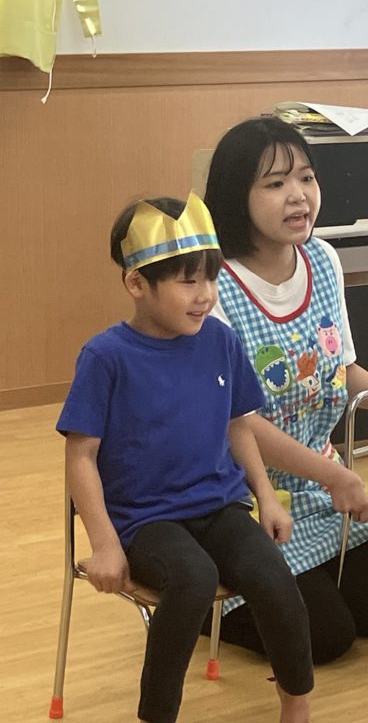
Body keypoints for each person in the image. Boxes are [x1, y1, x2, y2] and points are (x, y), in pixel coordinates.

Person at [202, 116, 368, 664]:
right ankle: (205, 601)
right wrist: (337, 476)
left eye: (306, 177)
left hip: (319, 489)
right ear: (235, 196)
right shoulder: (213, 288)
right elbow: (238, 423)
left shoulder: (322, 260)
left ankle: (298, 585)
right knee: (325, 638)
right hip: (245, 500)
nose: (298, 196)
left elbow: (340, 372)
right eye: (275, 184)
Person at [56, 194, 314, 723]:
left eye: (210, 279)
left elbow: (238, 424)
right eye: (187, 281)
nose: (205, 295)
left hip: (219, 506)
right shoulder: (105, 357)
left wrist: (266, 497)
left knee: (272, 574)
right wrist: (104, 544)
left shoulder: (220, 341)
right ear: (137, 284)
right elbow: (81, 456)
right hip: (145, 520)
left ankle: (296, 707)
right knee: (193, 578)